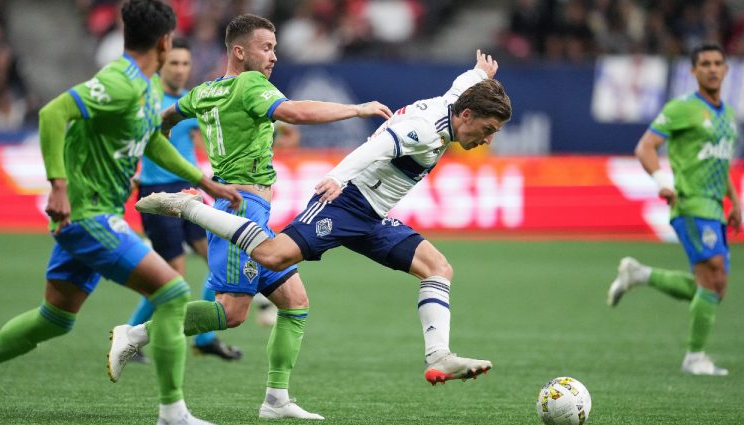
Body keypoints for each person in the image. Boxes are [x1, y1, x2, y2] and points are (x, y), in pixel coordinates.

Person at [134, 49, 510, 388]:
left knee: (438, 268)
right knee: (270, 255)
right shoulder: (425, 131)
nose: (487, 139)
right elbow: (376, 146)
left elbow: (464, 85)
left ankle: (438, 357)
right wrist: (337, 178)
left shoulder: (455, 102)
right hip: (345, 204)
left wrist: (480, 73)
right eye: (488, 130)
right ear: (466, 115)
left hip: (374, 216)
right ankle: (189, 207)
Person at [107, 14, 392, 420]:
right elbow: (295, 113)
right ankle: (135, 334)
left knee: (294, 301)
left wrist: (160, 143)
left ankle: (276, 399)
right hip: (242, 209)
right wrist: (357, 108)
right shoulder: (250, 83)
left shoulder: (204, 92)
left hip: (244, 207)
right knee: (232, 311)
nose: (273, 56)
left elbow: (166, 119)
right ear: (239, 52)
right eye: (267, 48)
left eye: (275, 47)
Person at [0, 2, 241, 425]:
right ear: (164, 42)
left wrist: (206, 181)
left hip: (94, 215)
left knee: (55, 320)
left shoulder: (144, 87)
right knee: (175, 293)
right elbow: (54, 113)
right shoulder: (120, 82)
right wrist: (59, 185)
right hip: (90, 216)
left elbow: (153, 142)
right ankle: (173, 418)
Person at [607, 42, 740, 376]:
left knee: (712, 286)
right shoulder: (683, 108)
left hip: (715, 207)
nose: (712, 68)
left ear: (725, 69)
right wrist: (660, 180)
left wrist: (734, 201)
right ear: (693, 71)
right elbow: (645, 146)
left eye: (717, 63)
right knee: (714, 277)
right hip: (690, 203)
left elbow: (719, 163)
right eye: (705, 63)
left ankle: (640, 274)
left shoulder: (728, 114)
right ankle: (695, 358)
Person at [127, 37, 252, 364]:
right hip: (157, 194)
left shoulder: (189, 102)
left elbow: (219, 129)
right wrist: (130, 171)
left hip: (189, 190)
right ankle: (131, 333)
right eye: (174, 64)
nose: (181, 70)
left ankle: (206, 339)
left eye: (185, 64)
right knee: (173, 278)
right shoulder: (147, 101)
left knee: (216, 263)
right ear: (162, 64)